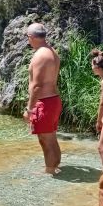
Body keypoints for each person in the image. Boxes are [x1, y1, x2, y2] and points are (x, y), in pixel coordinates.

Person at [22, 23, 62, 174]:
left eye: (28, 38)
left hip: (44, 102)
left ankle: (50, 170)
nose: (28, 41)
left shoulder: (40, 55)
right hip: (53, 100)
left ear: (31, 37)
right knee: (51, 137)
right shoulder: (51, 51)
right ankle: (55, 165)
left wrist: (29, 109)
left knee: (45, 139)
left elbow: (37, 85)